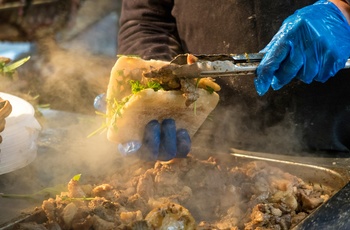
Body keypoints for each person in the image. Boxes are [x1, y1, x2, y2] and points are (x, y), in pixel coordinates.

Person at [117, 0, 350, 157]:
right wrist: (155, 79)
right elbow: (146, 20)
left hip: (337, 143)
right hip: (208, 148)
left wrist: (345, 12)